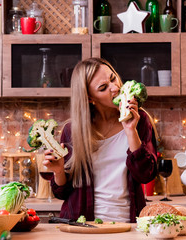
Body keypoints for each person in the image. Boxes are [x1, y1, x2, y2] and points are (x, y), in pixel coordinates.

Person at [43, 58, 158, 223]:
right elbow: (62, 193)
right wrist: (59, 171)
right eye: (103, 88)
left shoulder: (140, 119)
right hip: (83, 226)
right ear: (90, 98)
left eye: (113, 78)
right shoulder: (72, 131)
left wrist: (130, 131)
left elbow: (146, 175)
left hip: (127, 225)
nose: (115, 88)